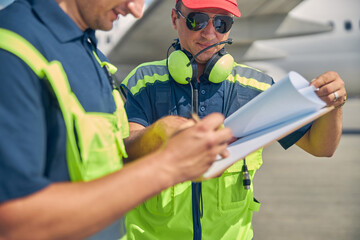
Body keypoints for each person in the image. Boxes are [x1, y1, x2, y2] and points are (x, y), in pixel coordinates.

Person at [0, 0, 234, 239]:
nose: (136, 10)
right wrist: (168, 165)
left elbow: (108, 162)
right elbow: (11, 222)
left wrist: (156, 135)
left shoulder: (92, 54)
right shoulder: (11, 51)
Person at [120, 0, 347, 239]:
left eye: (221, 22)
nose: (209, 33)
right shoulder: (144, 81)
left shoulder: (257, 88)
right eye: (196, 20)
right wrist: (161, 134)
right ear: (175, 19)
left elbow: (321, 147)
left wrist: (334, 105)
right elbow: (124, 150)